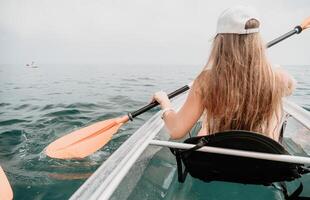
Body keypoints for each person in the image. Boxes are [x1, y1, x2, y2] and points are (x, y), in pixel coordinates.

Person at [152, 5, 295, 142]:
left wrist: (165, 103)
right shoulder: (278, 78)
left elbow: (176, 130)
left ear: (220, 42)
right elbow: (290, 87)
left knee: (205, 129)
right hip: (262, 163)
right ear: (257, 42)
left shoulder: (206, 81)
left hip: (218, 162)